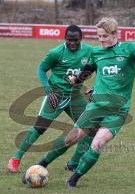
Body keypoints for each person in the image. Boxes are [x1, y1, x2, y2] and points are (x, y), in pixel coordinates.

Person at [32, 17, 135, 188]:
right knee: (71, 139)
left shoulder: (129, 48)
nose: (101, 40)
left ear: (114, 34)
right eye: (99, 36)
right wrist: (75, 79)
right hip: (95, 107)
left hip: (118, 111)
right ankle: (41, 165)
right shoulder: (97, 53)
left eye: (105, 36)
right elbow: (87, 72)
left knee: (98, 143)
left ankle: (73, 180)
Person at [8, 25, 93, 173]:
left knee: (90, 128)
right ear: (64, 38)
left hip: (75, 97)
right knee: (40, 127)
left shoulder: (89, 51)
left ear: (81, 39)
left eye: (76, 40)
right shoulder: (56, 53)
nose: (72, 43)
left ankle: (73, 163)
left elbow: (95, 67)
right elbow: (41, 69)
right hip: (56, 95)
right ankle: (16, 158)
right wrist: (49, 91)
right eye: (69, 40)